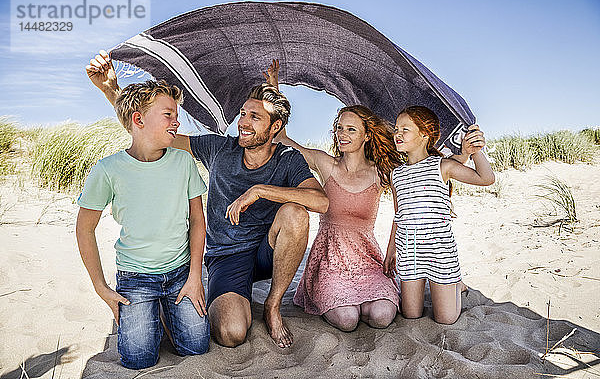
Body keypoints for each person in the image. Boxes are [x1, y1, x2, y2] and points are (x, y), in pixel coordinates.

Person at [85, 50, 329, 349]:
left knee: (295, 213)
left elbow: (321, 202)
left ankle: (273, 305)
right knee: (230, 333)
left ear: (275, 127)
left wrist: (259, 191)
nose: (243, 122)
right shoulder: (219, 148)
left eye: (255, 117)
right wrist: (111, 90)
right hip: (227, 257)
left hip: (269, 250)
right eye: (242, 114)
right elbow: (159, 132)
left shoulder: (288, 159)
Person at [264, 60, 481, 331]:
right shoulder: (325, 164)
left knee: (381, 316)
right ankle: (335, 296)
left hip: (367, 258)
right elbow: (283, 139)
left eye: (351, 129)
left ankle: (450, 283)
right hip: (330, 259)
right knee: (347, 319)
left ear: (367, 136)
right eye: (339, 128)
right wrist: (274, 89)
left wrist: (462, 157)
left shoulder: (382, 172)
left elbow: (422, 174)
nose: (342, 134)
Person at [75, 80, 210, 369]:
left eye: (176, 115)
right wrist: (101, 287)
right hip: (135, 278)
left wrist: (195, 276)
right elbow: (84, 228)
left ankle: (162, 311)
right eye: (168, 115)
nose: (177, 122)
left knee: (196, 348)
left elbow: (198, 220)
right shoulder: (108, 170)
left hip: (181, 273)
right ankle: (152, 311)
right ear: (138, 119)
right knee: (138, 359)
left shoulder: (183, 162)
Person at [383, 106, 495, 325]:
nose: (397, 134)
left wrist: (474, 151)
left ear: (425, 134)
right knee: (411, 314)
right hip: (409, 250)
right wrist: (391, 251)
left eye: (405, 129)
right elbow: (399, 215)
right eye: (396, 129)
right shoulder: (396, 174)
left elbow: (486, 178)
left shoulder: (443, 165)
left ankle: (456, 284)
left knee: (445, 318)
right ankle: (447, 285)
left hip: (439, 250)